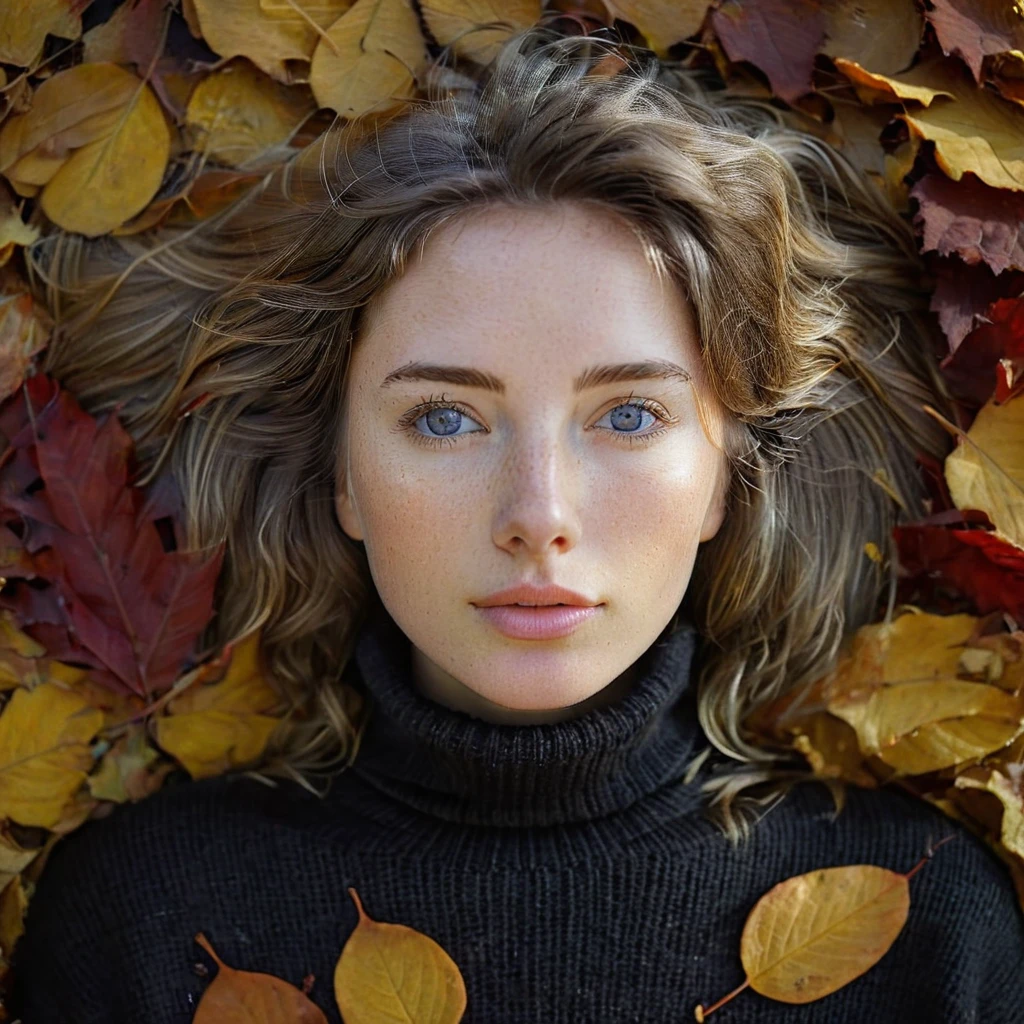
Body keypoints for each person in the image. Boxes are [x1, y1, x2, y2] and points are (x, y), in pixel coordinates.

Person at [10, 23, 1024, 1024]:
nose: (537, 514)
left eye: (627, 415)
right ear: (344, 478)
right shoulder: (146, 922)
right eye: (444, 418)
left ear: (725, 474)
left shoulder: (926, 925)